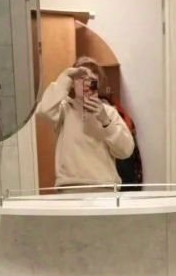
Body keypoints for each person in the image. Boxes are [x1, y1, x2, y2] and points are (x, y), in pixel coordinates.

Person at [35, 56, 134, 189]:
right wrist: (66, 76)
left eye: (92, 80)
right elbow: (43, 111)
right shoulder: (64, 110)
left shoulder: (109, 113)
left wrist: (106, 121)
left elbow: (126, 151)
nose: (86, 83)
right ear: (72, 83)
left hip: (104, 188)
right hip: (70, 188)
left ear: (97, 85)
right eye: (81, 77)